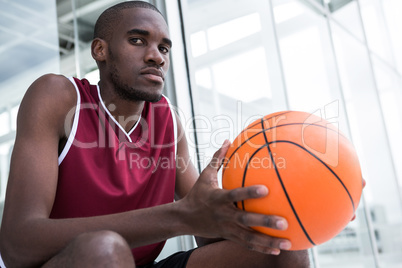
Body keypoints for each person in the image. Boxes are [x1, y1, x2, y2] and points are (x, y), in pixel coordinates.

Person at [0, 1, 313, 267]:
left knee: (286, 252)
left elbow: (206, 227)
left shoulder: (168, 120)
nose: (157, 56)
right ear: (101, 50)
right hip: (84, 262)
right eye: (138, 40)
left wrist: (306, 209)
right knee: (105, 251)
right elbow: (18, 245)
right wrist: (180, 216)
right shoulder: (58, 97)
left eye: (164, 47)